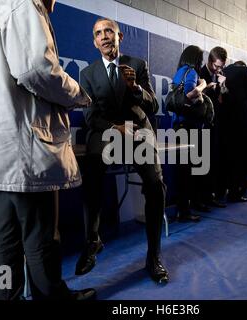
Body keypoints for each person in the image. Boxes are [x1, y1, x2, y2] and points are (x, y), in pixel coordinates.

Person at [0, 0, 93, 300]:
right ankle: (52, 296)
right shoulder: (24, 3)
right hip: (23, 150)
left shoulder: (9, 4)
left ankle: (3, 297)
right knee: (41, 235)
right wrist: (79, 95)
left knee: (6, 239)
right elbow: (36, 70)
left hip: (6, 151)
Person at [75, 18, 168, 283]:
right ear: (94, 42)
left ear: (120, 36)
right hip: (107, 132)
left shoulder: (137, 65)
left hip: (139, 131)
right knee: (91, 174)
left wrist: (136, 88)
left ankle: (154, 255)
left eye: (108, 32)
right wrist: (116, 128)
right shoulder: (88, 74)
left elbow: (151, 105)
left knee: (155, 184)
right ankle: (92, 240)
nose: (104, 36)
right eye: (98, 33)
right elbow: (91, 116)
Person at [171, 45, 208, 222]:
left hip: (178, 126)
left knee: (182, 171)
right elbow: (190, 95)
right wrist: (203, 87)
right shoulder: (192, 72)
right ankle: (184, 212)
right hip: (188, 126)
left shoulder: (180, 72)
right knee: (186, 172)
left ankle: (181, 210)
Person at [220, 60, 247, 201]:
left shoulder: (224, 72)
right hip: (243, 125)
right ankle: (237, 193)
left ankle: (224, 192)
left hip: (225, 126)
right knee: (241, 161)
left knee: (228, 160)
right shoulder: (246, 71)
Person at [199, 46, 228, 209]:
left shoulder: (220, 76)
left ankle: (209, 196)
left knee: (212, 163)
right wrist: (208, 88)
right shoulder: (200, 74)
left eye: (221, 66)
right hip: (202, 125)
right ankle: (200, 199)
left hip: (215, 125)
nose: (219, 69)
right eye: (216, 66)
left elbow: (224, 100)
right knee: (201, 164)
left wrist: (222, 86)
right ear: (209, 61)